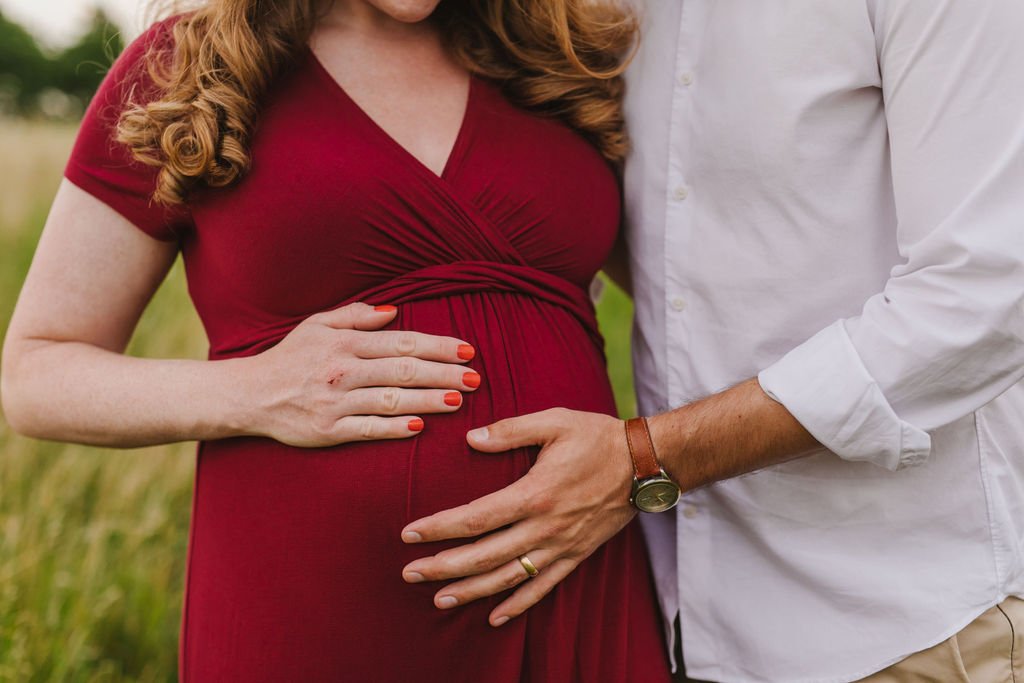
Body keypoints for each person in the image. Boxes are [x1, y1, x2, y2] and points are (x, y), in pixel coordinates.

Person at [0, 0, 671, 680]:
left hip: (571, 582)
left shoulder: (570, 61)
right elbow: (36, 372)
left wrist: (650, 456)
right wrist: (253, 390)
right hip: (309, 614)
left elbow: (700, 294)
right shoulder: (191, 68)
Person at [397, 1, 1024, 681]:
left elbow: (986, 299)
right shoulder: (591, 9)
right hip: (680, 623)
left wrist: (646, 458)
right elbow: (619, 237)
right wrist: (261, 382)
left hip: (907, 625)